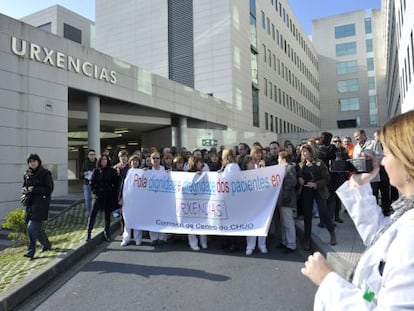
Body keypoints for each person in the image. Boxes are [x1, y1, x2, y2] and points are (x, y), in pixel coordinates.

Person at [301, 110, 414, 310]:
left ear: (406, 160)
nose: (383, 161)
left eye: (386, 154)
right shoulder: (406, 213)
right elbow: (380, 237)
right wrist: (359, 185)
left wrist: (328, 281)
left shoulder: (411, 239)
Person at [297, 144, 337, 250]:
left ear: (311, 152)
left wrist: (316, 184)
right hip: (306, 191)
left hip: (318, 191)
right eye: (302, 152)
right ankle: (307, 239)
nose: (304, 154)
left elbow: (327, 178)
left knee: (323, 211)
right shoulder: (301, 164)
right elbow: (299, 175)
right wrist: (300, 179)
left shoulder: (319, 163)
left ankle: (332, 233)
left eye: (305, 151)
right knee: (307, 215)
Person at [22, 153, 54, 258]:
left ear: (38, 161)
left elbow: (49, 189)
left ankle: (31, 250)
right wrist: (24, 190)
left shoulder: (45, 173)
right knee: (37, 228)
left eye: (34, 161)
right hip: (30, 203)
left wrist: (34, 189)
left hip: (41, 204)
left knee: (31, 227)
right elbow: (24, 186)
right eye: (30, 161)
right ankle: (47, 245)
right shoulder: (27, 174)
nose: (32, 163)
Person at [87, 154, 119, 242]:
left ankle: (107, 233)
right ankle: (89, 232)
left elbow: (116, 183)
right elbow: (91, 183)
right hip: (98, 196)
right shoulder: (96, 171)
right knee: (93, 214)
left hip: (108, 196)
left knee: (107, 215)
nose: (104, 161)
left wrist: (113, 193)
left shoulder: (112, 171)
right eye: (102, 159)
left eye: (105, 159)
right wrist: (95, 191)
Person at [245, 147, 268, 255]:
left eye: (260, 153)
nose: (258, 155)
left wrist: (264, 168)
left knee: (263, 221)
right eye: (256, 153)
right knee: (251, 221)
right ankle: (250, 245)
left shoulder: (264, 164)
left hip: (262, 198)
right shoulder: (250, 164)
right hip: (250, 198)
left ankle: (262, 244)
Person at [120, 155, 143, 246]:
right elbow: (121, 186)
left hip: (138, 200)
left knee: (137, 219)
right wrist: (120, 198)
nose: (135, 162)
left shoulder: (142, 172)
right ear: (130, 162)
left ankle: (138, 239)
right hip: (127, 199)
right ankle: (126, 238)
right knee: (127, 219)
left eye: (136, 161)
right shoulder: (126, 172)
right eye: (133, 161)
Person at [277, 151, 298, 253]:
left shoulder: (289, 168)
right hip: (282, 200)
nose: (278, 160)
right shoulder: (282, 169)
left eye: (279, 158)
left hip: (287, 199)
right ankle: (285, 241)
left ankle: (291, 244)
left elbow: (293, 182)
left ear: (283, 159)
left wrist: (284, 176)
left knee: (288, 222)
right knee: (283, 222)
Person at [186, 156, 208, 251]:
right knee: (191, 223)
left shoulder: (205, 174)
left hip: (202, 202)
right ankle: (193, 242)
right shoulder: (187, 174)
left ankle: (203, 241)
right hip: (191, 202)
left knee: (202, 221)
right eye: (199, 162)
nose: (201, 164)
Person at [81, 149, 97, 216]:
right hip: (86, 183)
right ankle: (89, 213)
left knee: (95, 198)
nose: (92, 156)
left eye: (93, 154)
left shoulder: (97, 162)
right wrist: (84, 173)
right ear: (88, 155)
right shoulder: (85, 163)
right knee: (87, 199)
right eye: (90, 154)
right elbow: (81, 173)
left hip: (95, 183)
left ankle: (94, 212)